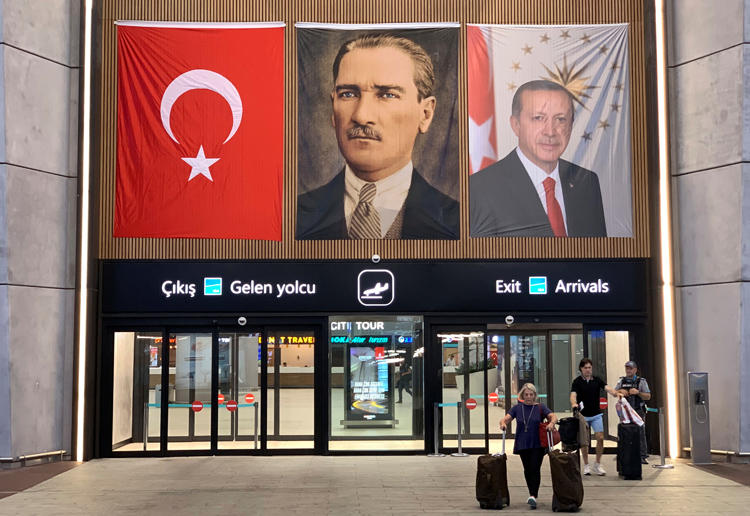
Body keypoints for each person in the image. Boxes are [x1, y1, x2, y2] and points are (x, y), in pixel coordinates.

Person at [297, 33, 459, 240]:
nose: (361, 116)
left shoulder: (460, 222)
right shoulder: (292, 218)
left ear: (425, 114)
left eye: (387, 94)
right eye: (348, 94)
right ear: (333, 109)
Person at [470, 79, 606, 237]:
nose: (550, 131)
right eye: (538, 118)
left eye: (560, 119)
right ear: (516, 125)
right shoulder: (479, 190)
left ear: (571, 125)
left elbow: (599, 256)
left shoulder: (586, 182)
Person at [499, 383, 557, 510]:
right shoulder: (517, 408)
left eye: (531, 394)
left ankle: (533, 495)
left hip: (537, 443)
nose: (529, 397)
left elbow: (553, 416)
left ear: (535, 395)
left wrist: (552, 423)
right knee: (527, 469)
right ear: (522, 395)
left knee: (535, 468)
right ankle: (532, 493)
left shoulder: (540, 407)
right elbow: (505, 419)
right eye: (526, 394)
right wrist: (503, 424)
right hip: (523, 443)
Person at [569, 358, 621, 476]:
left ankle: (597, 464)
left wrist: (616, 393)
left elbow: (608, 388)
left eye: (590, 368)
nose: (588, 370)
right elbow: (573, 395)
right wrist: (574, 404)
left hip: (596, 414)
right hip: (583, 416)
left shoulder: (597, 380)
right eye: (585, 368)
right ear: (581, 369)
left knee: (600, 437)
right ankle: (586, 465)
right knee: (584, 442)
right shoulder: (577, 382)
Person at [615, 360, 651, 464]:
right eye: (627, 368)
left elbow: (648, 396)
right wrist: (620, 391)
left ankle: (642, 456)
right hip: (625, 412)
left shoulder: (641, 381)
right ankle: (625, 454)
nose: (628, 370)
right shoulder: (621, 381)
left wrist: (638, 392)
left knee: (640, 433)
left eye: (630, 368)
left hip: (638, 411)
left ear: (635, 370)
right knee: (624, 432)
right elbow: (614, 392)